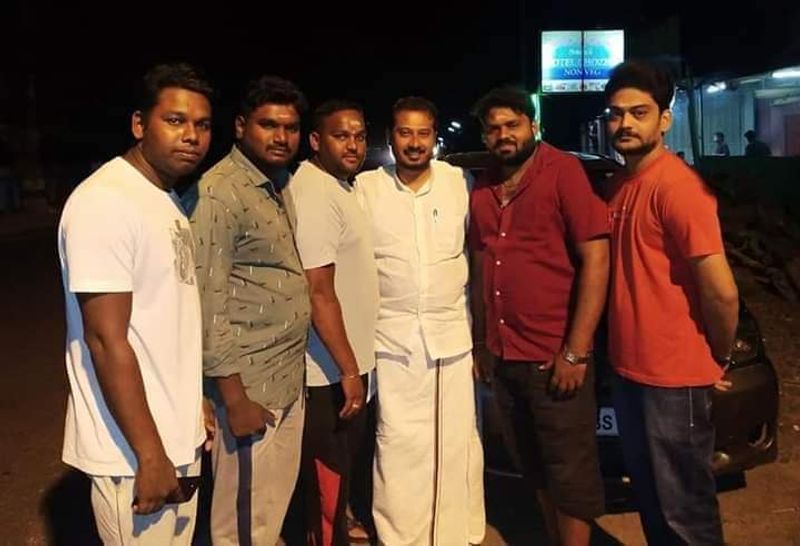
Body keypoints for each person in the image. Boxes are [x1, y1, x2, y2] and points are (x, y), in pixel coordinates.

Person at [58, 62, 213, 544]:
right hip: (132, 453)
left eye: (202, 125)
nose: (191, 136)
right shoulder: (106, 202)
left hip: (173, 439)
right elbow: (106, 340)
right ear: (139, 124)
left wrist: (191, 402)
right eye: (175, 120)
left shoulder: (163, 199)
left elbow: (162, 321)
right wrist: (149, 453)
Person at [604, 59, 739, 545]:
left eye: (638, 113)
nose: (625, 123)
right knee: (653, 502)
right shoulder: (620, 186)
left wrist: (717, 355)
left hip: (674, 380)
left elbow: (721, 290)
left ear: (664, 119)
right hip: (629, 371)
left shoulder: (679, 187)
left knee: (685, 513)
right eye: (616, 114)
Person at [469, 86, 609, 546]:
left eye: (512, 124)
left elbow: (596, 259)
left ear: (533, 125)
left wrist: (576, 352)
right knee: (534, 468)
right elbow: (480, 266)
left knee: (570, 475)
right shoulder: (484, 187)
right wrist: (482, 343)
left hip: (553, 357)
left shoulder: (562, 172)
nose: (503, 135)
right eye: (493, 128)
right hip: (505, 356)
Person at [184, 75, 310, 545]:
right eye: (268, 125)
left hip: (284, 379)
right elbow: (207, 302)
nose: (282, 137)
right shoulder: (220, 193)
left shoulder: (273, 184)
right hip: (249, 388)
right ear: (241, 127)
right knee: (241, 524)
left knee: (266, 513)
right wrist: (234, 400)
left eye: (291, 127)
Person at [355, 96, 485, 545]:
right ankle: (399, 537)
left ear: (434, 137)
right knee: (397, 444)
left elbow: (477, 257)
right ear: (391, 138)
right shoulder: (367, 188)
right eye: (405, 133)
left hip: (451, 339)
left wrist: (480, 340)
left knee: (455, 442)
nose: (414, 143)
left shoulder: (459, 183)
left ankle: (454, 535)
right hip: (391, 341)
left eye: (423, 133)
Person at [287, 100, 379, 545]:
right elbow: (317, 291)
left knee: (340, 472)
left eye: (359, 136)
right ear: (315, 140)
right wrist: (348, 368)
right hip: (326, 371)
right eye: (341, 136)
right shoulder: (313, 193)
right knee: (326, 478)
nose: (353, 145)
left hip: (346, 363)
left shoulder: (339, 187)